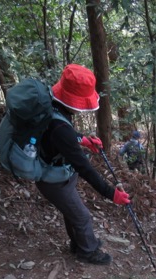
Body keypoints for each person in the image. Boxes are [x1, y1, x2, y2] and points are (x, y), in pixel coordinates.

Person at [36, 64, 130, 265]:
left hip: (59, 173)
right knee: (82, 217)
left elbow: (63, 135)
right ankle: (88, 251)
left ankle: (78, 243)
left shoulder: (53, 106)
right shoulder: (60, 127)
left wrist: (83, 140)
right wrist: (110, 193)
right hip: (52, 180)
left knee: (71, 211)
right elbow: (83, 167)